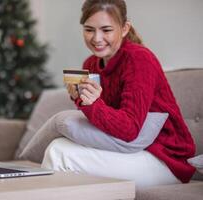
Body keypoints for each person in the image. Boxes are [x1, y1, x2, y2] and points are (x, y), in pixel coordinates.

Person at [40, 0, 196, 188]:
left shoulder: (139, 59)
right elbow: (104, 123)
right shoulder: (90, 64)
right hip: (126, 148)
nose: (97, 38)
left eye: (106, 30)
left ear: (124, 28)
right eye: (89, 29)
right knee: (57, 147)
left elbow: (129, 129)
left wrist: (92, 104)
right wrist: (81, 99)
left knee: (59, 154)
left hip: (165, 159)